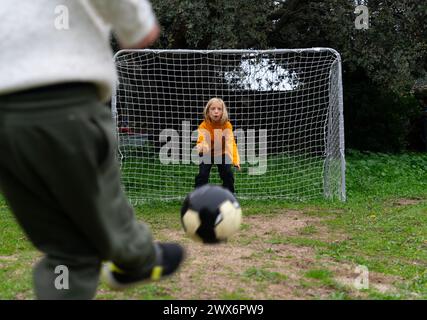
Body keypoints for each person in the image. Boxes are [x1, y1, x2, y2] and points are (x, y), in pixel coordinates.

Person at [0, 0, 184, 300]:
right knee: (99, 193)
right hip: (64, 102)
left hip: (6, 120)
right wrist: (136, 25)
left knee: (67, 249)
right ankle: (136, 256)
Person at [195, 98, 241, 194]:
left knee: (228, 173)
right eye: (213, 109)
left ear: (223, 111)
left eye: (219, 109)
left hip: (222, 152)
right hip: (207, 153)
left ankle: (229, 196)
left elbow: (231, 143)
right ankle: (198, 197)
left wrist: (235, 160)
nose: (216, 111)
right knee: (202, 175)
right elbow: (200, 141)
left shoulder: (227, 125)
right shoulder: (203, 126)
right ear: (208, 111)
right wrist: (203, 146)